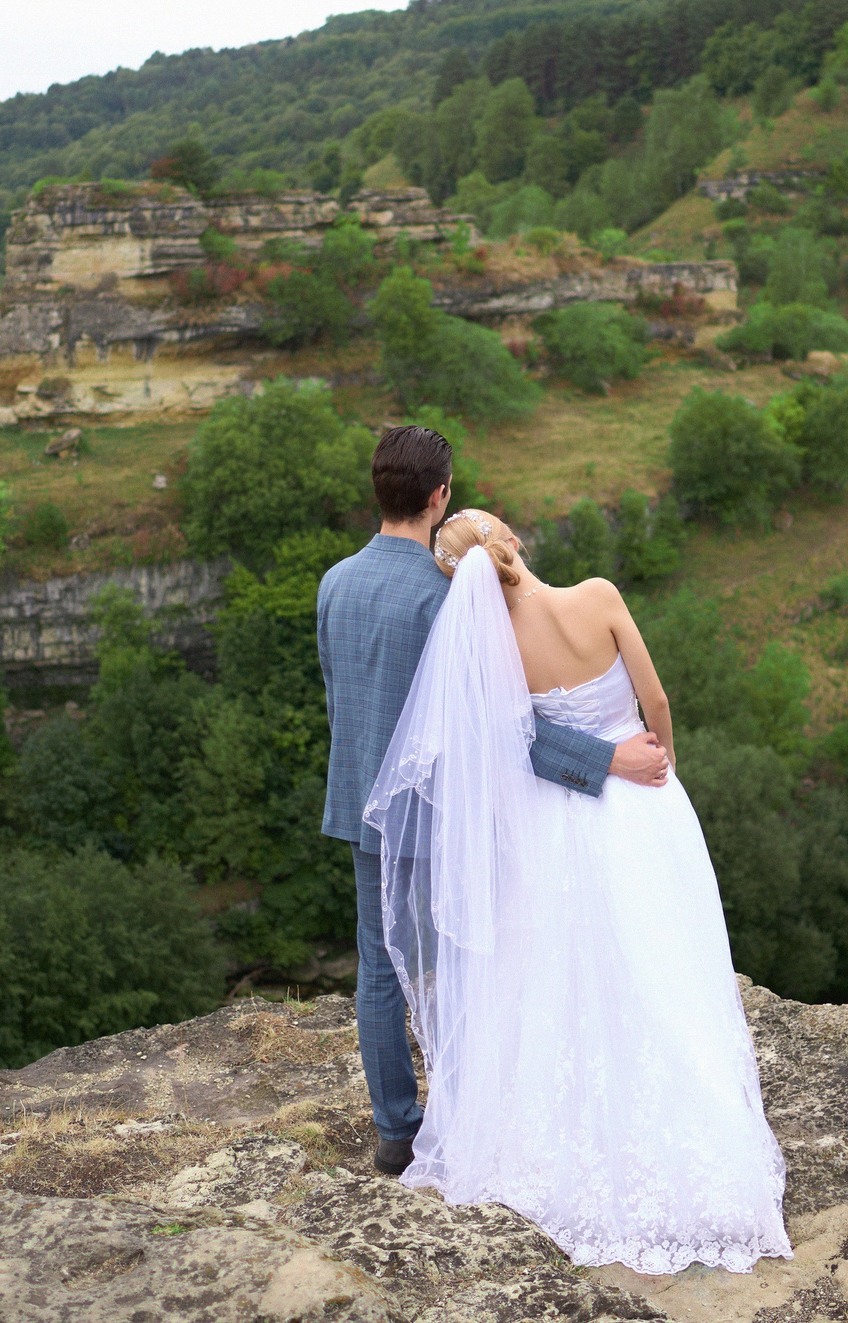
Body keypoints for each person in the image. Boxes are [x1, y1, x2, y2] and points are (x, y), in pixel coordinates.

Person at [364, 507, 790, 1275]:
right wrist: (658, 762)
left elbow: (517, 745)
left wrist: (599, 762)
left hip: (554, 824)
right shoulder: (597, 595)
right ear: (514, 543)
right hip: (644, 810)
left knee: (559, 977)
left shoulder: (495, 653)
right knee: (665, 965)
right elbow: (655, 700)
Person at [316, 426, 668, 1180]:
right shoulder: (446, 599)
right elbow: (508, 728)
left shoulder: (333, 583)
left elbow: (338, 700)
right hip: (450, 813)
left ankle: (394, 1130)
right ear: (439, 495)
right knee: (479, 956)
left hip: (364, 805)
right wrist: (609, 758)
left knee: (378, 966)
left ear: (379, 491)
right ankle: (471, 1112)